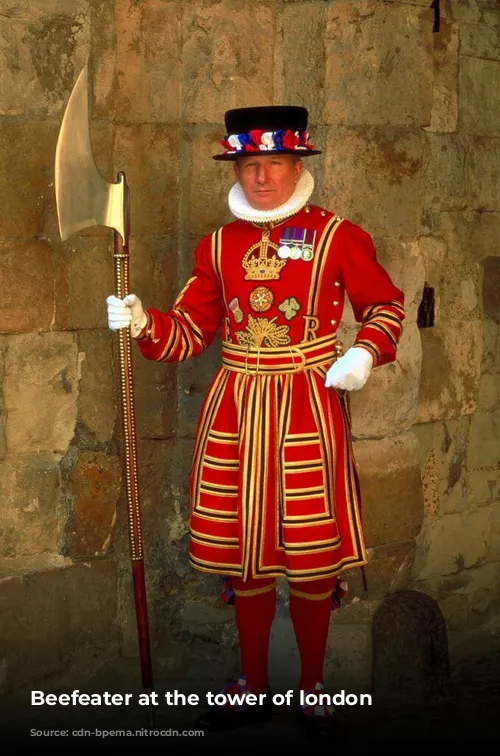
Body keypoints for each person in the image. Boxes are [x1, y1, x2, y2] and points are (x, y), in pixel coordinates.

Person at [107, 106, 405, 736]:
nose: (262, 177)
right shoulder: (216, 245)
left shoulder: (338, 236)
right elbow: (189, 334)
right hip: (236, 409)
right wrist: (143, 322)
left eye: (273, 163)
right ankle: (253, 684)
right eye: (250, 164)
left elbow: (384, 305)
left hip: (307, 405)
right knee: (246, 553)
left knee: (310, 554)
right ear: (236, 167)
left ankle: (314, 687)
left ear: (298, 164)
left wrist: (363, 352)